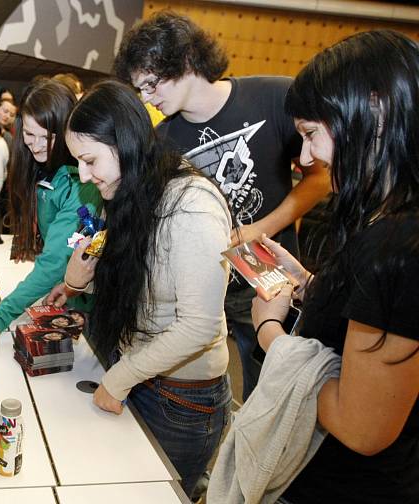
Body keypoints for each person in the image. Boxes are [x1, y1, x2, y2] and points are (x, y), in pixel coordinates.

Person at [113, 11, 331, 400]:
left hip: (268, 276)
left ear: (184, 61)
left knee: (271, 392)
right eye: (139, 89)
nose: (147, 98)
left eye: (150, 84)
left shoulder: (273, 96)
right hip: (200, 287)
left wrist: (257, 229)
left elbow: (320, 179)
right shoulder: (162, 140)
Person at [251, 29, 419, 503]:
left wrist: (270, 334)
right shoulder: (386, 221)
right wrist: (307, 285)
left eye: (310, 135)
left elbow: (362, 427)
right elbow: (376, 313)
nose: (307, 159)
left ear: (376, 109)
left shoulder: (397, 246)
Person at [45, 80, 232, 499]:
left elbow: (199, 326)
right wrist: (77, 280)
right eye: (78, 162)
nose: (83, 175)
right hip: (139, 374)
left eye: (90, 160)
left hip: (181, 402)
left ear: (125, 142)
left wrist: (119, 378)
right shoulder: (130, 190)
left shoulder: (190, 206)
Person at [0, 79, 102, 352]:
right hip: (61, 295)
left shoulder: (81, 183)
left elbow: (55, 261)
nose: (38, 145)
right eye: (30, 135)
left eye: (49, 137)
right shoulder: (40, 169)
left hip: (88, 310)